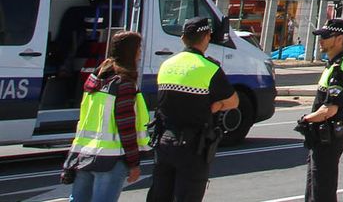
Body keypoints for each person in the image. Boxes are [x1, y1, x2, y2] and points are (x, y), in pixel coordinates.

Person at [149, 16, 238, 202]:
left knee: (159, 195)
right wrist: (217, 105)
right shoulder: (209, 68)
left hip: (164, 141)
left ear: (183, 38)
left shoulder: (166, 65)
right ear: (207, 37)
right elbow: (233, 102)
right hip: (193, 146)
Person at [61, 30, 147, 202]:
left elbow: (83, 122)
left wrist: (72, 157)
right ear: (131, 52)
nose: (140, 53)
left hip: (84, 155)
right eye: (139, 48)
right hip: (111, 160)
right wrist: (134, 163)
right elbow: (126, 126)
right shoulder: (124, 83)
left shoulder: (95, 80)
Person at [297, 18, 343, 202]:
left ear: (339, 39)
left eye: (326, 36)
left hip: (328, 135)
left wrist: (306, 119)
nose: (321, 40)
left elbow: (329, 109)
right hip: (327, 133)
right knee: (315, 188)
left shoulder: (340, 68)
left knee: (321, 192)